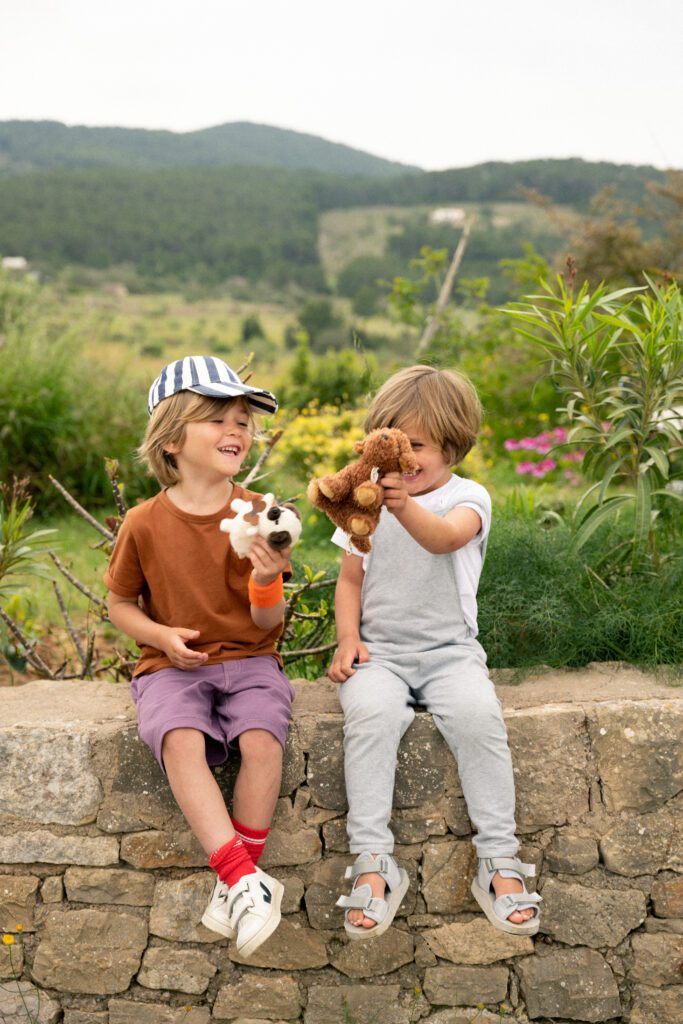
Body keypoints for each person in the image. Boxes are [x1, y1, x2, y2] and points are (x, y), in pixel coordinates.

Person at [329, 365, 541, 939]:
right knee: (369, 719)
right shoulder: (367, 502)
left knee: (478, 720)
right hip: (383, 653)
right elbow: (350, 580)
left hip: (451, 651)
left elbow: (444, 539)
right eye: (392, 445)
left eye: (416, 446)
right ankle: (373, 862)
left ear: (451, 443)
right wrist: (349, 639)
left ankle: (500, 859)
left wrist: (400, 506)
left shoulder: (468, 497)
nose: (402, 460)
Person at [105, 355, 295, 959]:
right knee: (179, 738)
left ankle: (237, 879)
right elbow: (118, 603)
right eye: (217, 418)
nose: (236, 429)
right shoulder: (143, 523)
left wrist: (267, 582)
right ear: (171, 437)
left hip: (251, 658)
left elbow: (269, 622)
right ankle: (243, 880)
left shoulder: (260, 514)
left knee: (262, 741)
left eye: (243, 419)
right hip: (172, 666)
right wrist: (160, 636)